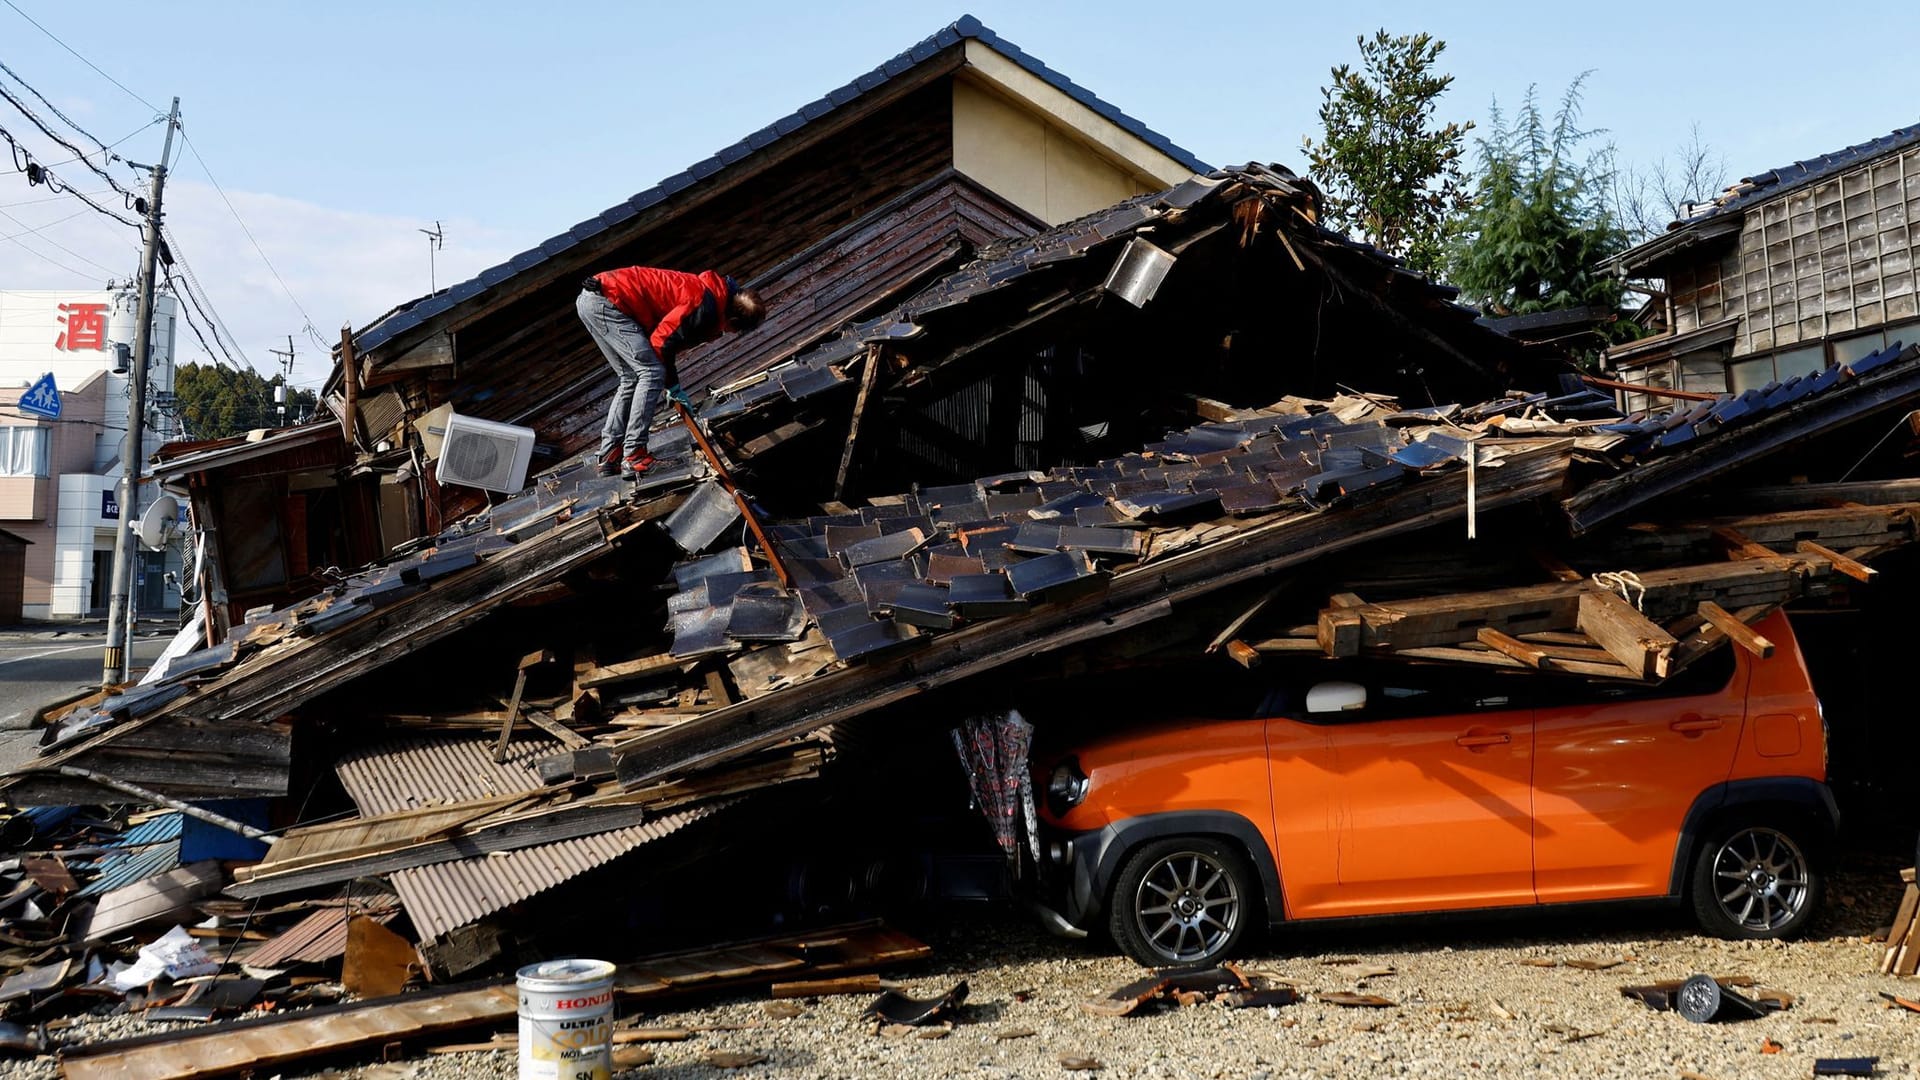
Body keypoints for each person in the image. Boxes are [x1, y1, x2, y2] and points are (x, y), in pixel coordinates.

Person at [576, 266, 765, 476]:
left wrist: (672, 384)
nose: (730, 333)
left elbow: (668, 342)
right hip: (610, 302)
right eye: (736, 330)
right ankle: (635, 455)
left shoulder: (710, 295)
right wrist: (673, 386)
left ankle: (610, 453)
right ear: (734, 320)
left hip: (594, 299)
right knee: (651, 372)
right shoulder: (704, 305)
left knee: (630, 377)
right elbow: (660, 343)